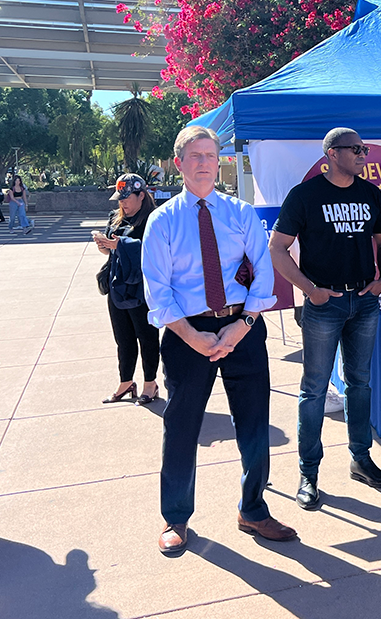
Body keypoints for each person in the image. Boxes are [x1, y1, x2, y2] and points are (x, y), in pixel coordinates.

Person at [142, 126, 296, 555]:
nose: (205, 163)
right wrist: (192, 335)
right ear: (179, 163)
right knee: (182, 427)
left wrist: (242, 325)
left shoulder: (240, 214)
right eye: (195, 156)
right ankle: (176, 518)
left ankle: (254, 508)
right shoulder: (163, 221)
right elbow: (157, 288)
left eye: (211, 155)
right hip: (186, 334)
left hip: (241, 329)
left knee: (253, 424)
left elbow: (263, 272)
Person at [269, 127, 381, 510]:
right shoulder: (305, 196)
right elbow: (278, 248)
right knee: (314, 390)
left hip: (364, 301)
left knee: (359, 384)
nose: (363, 155)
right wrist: (311, 289)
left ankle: (361, 458)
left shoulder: (370, 193)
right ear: (331, 153)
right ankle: (309, 474)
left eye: (364, 149)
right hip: (324, 304)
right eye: (355, 149)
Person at [94, 174, 161, 406]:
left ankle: (150, 384)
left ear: (141, 195)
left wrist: (120, 245)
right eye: (119, 199)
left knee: (147, 336)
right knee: (123, 337)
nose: (122, 203)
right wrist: (105, 246)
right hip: (118, 285)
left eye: (127, 198)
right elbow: (111, 253)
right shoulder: (115, 218)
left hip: (141, 288)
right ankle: (126, 381)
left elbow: (156, 250)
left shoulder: (153, 219)